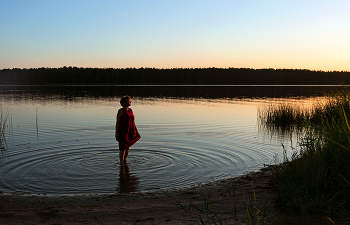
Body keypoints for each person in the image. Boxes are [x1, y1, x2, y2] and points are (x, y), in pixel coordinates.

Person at [115, 96, 141, 163]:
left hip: (130, 131)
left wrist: (137, 131)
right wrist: (116, 133)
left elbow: (133, 122)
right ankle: (122, 164)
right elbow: (118, 123)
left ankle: (125, 162)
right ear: (124, 102)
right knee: (122, 148)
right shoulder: (120, 111)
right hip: (123, 131)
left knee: (127, 147)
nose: (130, 102)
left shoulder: (130, 110)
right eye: (129, 101)